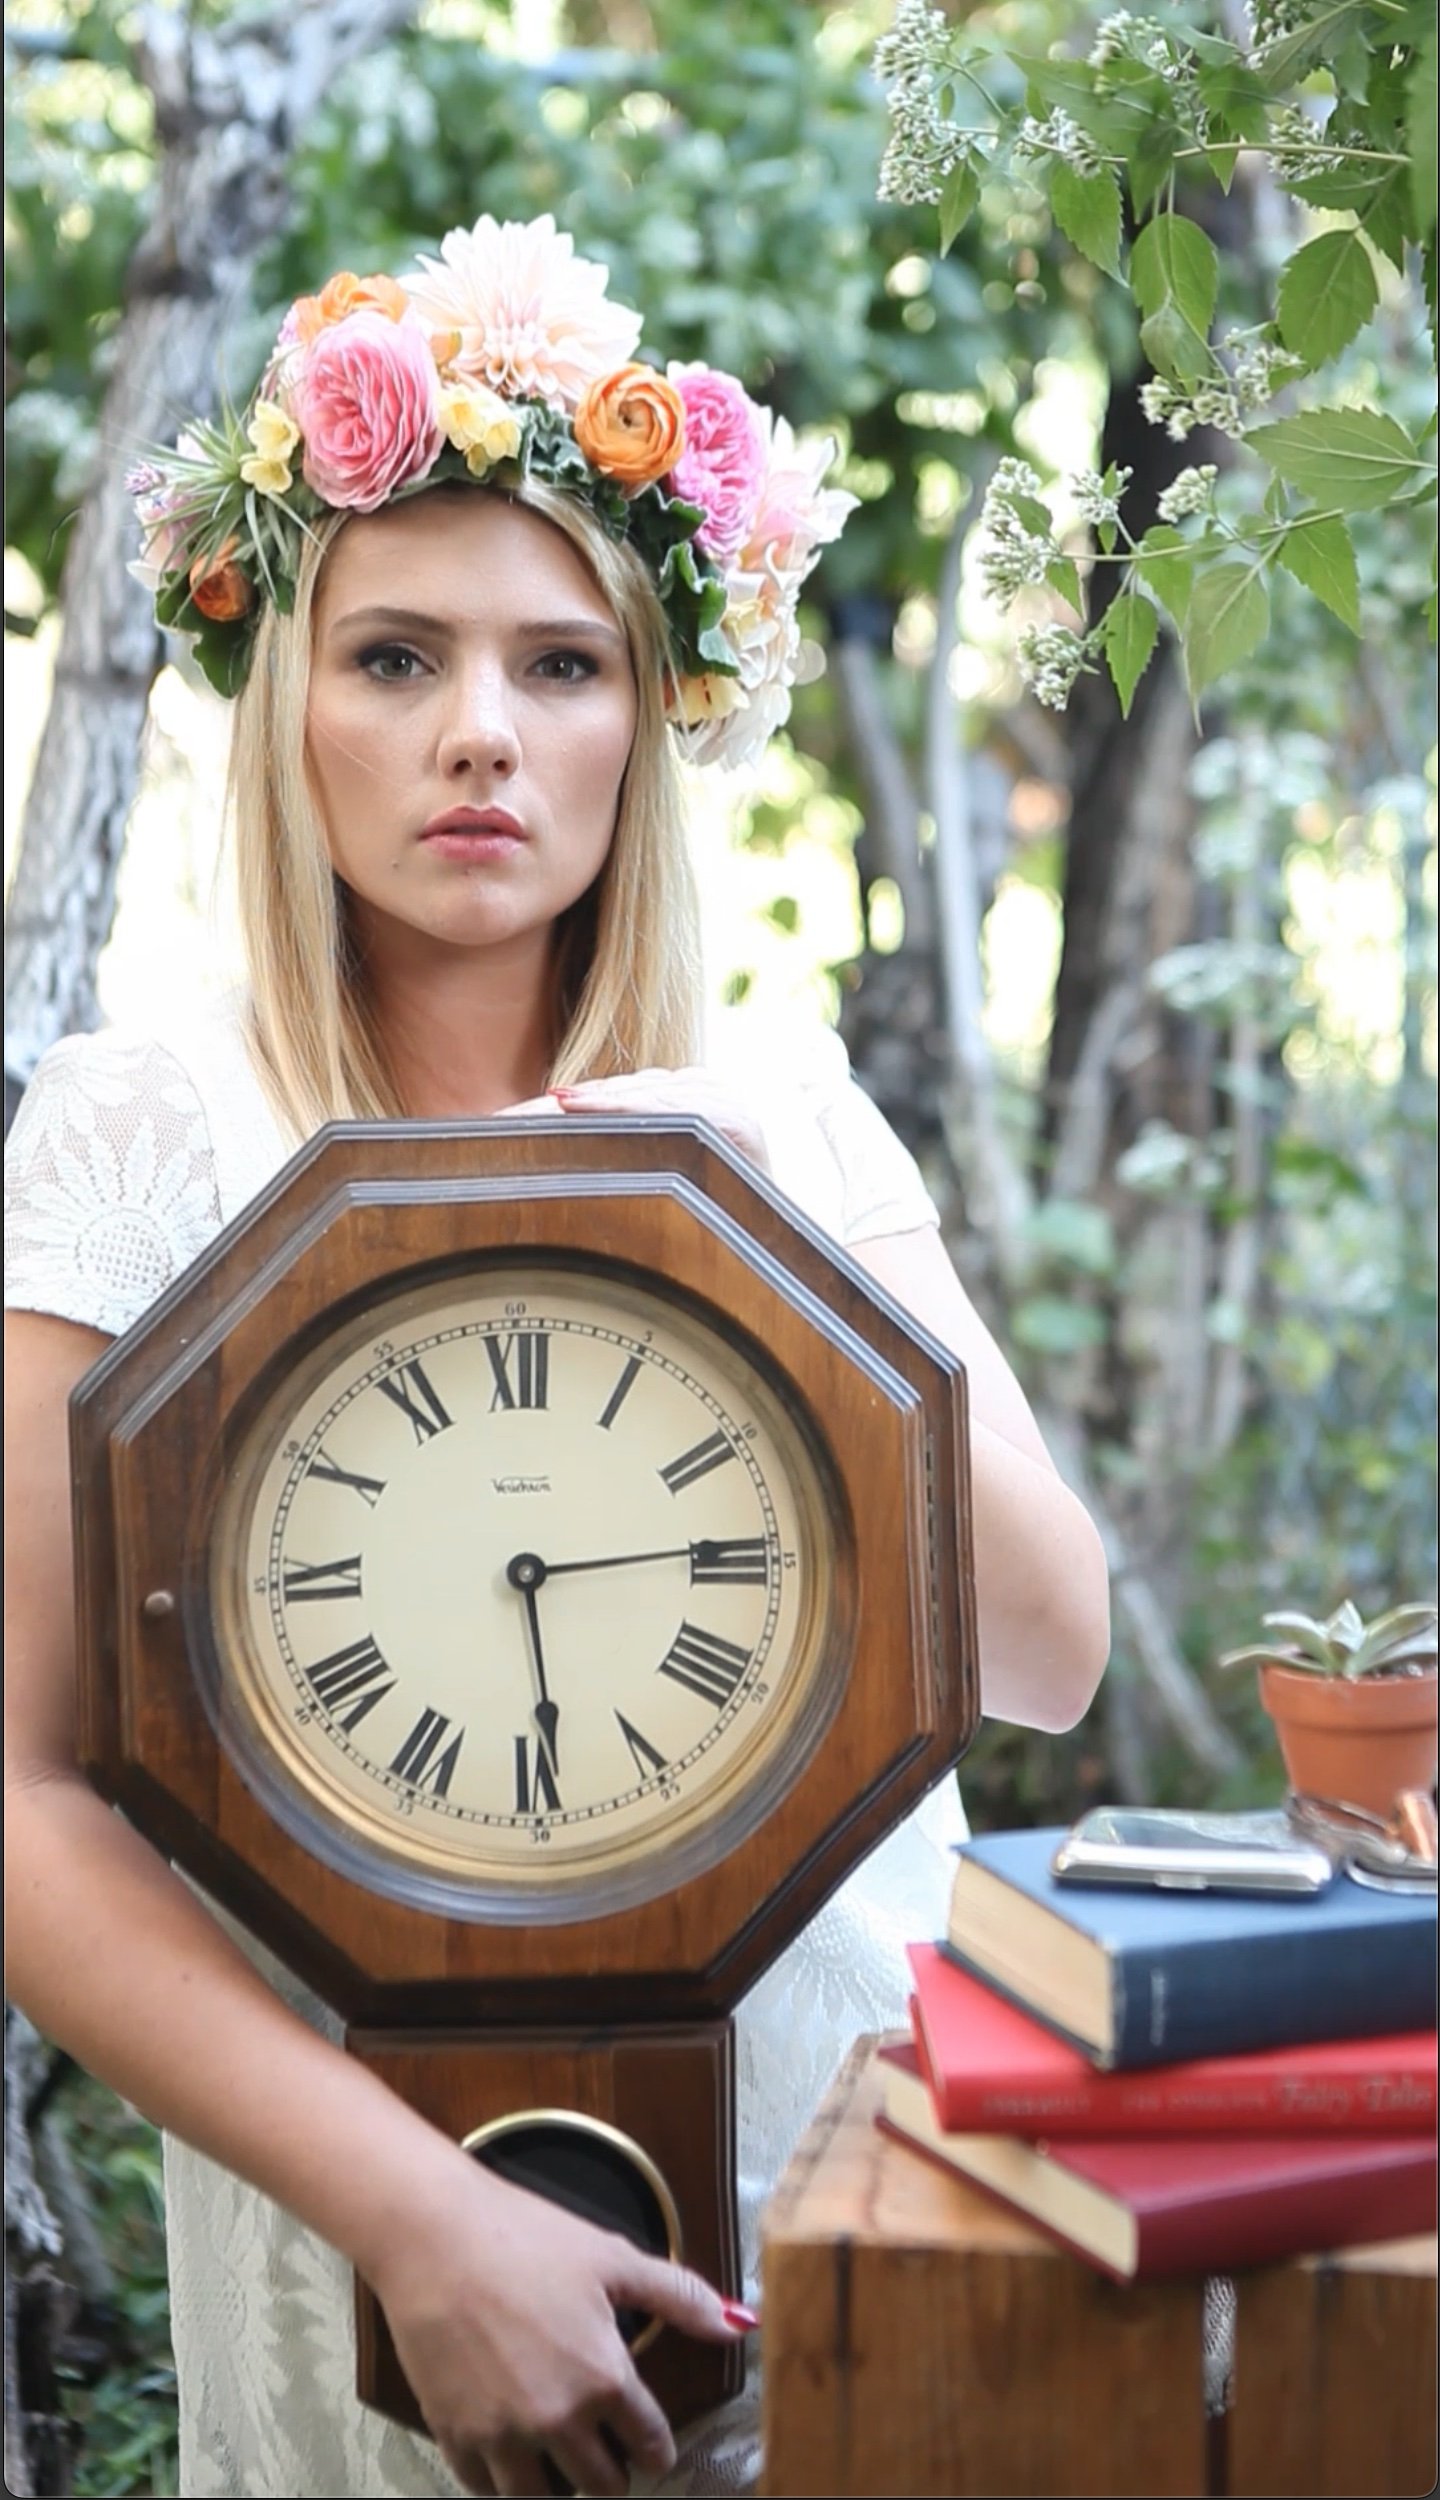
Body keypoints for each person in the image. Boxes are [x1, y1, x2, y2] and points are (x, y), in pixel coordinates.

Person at [4, 214, 1110, 2500]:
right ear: (285, 695)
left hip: (841, 2195)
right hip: (377, 2241)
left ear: (658, 714)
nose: (481, 735)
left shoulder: (775, 1095)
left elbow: (1047, 1646)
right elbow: (21, 1796)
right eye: (395, 655)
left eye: (562, 665)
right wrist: (417, 2215)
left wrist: (776, 1217)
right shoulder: (149, 1122)